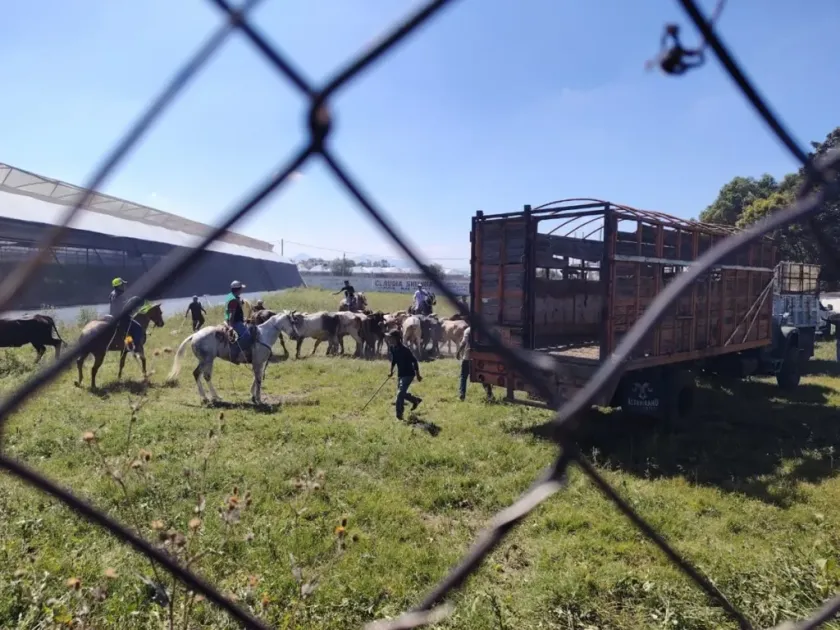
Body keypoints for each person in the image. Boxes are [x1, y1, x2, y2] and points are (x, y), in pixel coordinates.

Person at [387, 330, 422, 420]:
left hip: (409, 374)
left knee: (400, 394)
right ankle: (415, 400)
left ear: (396, 338)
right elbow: (394, 360)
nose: (389, 339)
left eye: (391, 338)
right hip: (401, 374)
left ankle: (399, 415)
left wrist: (418, 374)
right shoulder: (392, 348)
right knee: (402, 393)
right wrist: (391, 371)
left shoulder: (405, 350)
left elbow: (414, 361)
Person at [457, 326, 493, 401]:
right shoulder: (483, 330)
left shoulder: (468, 330)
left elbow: (463, 343)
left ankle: (462, 394)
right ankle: (489, 394)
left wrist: (458, 352)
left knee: (463, 376)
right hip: (480, 358)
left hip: (468, 357)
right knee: (483, 376)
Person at [224, 280, 255, 364]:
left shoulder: (231, 296)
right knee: (247, 336)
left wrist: (244, 319)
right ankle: (235, 352)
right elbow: (231, 314)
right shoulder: (233, 300)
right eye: (241, 288)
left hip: (237, 320)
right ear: (238, 289)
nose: (242, 290)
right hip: (235, 322)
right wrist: (230, 326)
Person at [108, 278, 143, 347]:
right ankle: (134, 346)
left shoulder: (112, 294)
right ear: (119, 286)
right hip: (121, 318)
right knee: (138, 328)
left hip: (112, 316)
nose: (124, 286)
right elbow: (122, 307)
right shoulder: (119, 295)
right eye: (122, 285)